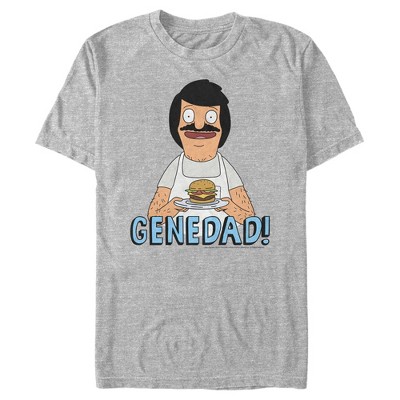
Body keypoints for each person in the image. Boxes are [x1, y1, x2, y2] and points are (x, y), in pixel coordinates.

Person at [148, 79, 255, 226]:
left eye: (211, 117)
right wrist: (172, 207)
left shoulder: (225, 168)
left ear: (223, 127)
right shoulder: (175, 168)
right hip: (178, 235)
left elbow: (249, 217)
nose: (199, 125)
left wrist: (229, 206)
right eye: (188, 116)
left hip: (224, 236)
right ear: (176, 126)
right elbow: (153, 217)